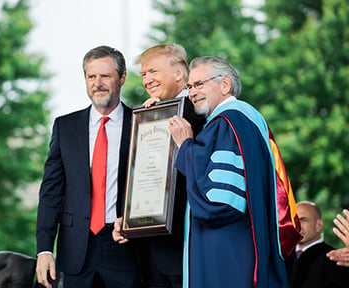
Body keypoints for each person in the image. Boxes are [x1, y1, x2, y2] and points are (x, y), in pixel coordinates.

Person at [167, 56, 292, 287]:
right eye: (190, 86)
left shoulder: (227, 122)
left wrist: (185, 145)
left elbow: (221, 202)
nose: (193, 92)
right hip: (239, 244)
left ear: (224, 85)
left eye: (199, 84)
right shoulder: (243, 120)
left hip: (227, 252)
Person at [35, 45, 140, 288]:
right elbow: (51, 192)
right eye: (91, 76)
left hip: (125, 249)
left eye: (105, 76)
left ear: (122, 78)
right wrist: (44, 249)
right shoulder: (65, 127)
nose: (98, 83)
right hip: (75, 250)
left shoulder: (141, 124)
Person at [113, 43, 205, 287]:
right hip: (147, 249)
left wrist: (165, 114)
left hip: (183, 246)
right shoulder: (145, 116)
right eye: (143, 74)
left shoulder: (201, 114)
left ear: (178, 74)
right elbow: (135, 172)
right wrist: (124, 216)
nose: (147, 79)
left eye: (153, 71)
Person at [285, 201, 349, 287]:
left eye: (303, 220)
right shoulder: (284, 256)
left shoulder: (335, 259)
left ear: (318, 225)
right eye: (294, 220)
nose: (297, 226)